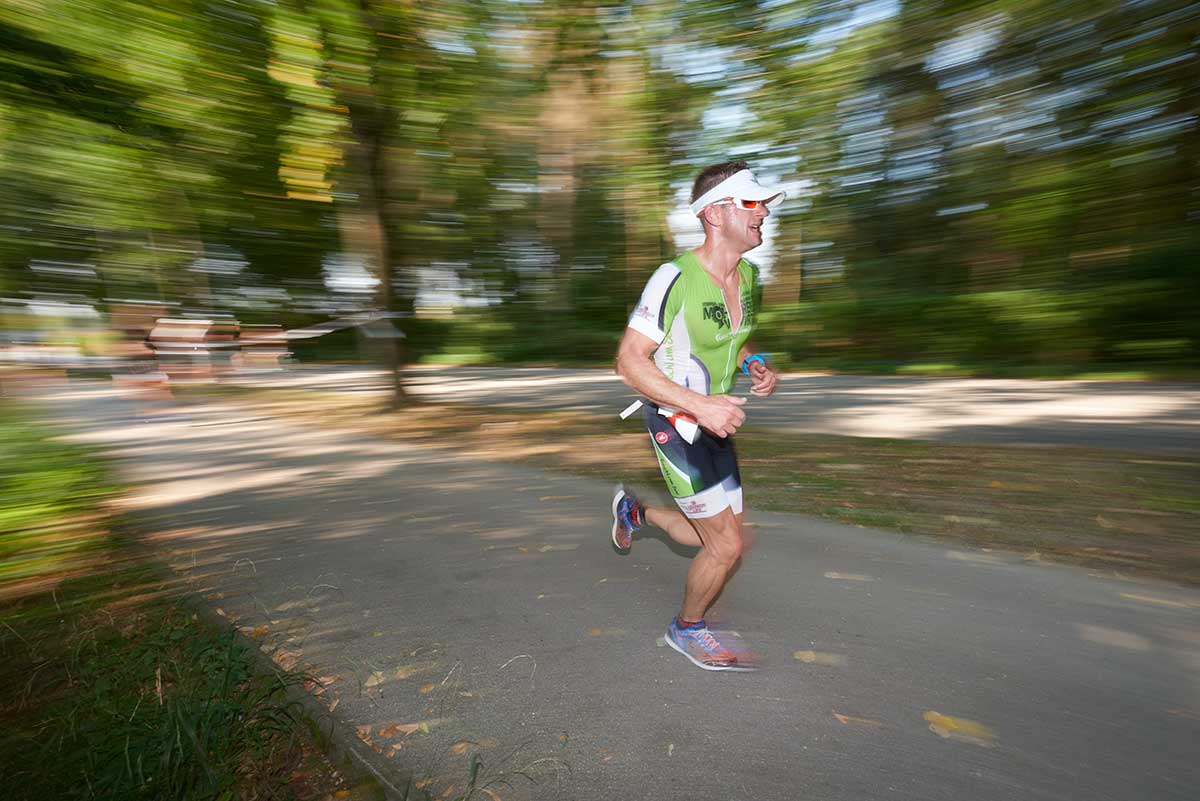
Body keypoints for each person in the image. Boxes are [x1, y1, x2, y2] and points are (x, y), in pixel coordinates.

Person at [612, 160, 782, 671]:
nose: (763, 214)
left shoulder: (748, 275)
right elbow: (628, 362)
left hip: (716, 419)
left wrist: (752, 361)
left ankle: (635, 513)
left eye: (763, 205)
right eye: (750, 203)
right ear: (713, 214)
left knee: (713, 535)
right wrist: (699, 404)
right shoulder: (673, 278)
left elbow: (734, 332)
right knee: (727, 545)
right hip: (677, 421)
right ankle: (686, 630)